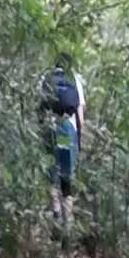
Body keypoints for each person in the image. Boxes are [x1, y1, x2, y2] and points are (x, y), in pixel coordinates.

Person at [41, 52, 86, 227]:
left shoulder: (46, 78)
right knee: (66, 174)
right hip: (67, 130)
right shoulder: (74, 78)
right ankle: (68, 224)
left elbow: (40, 107)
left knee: (52, 171)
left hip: (50, 128)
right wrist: (79, 140)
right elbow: (80, 116)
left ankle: (56, 213)